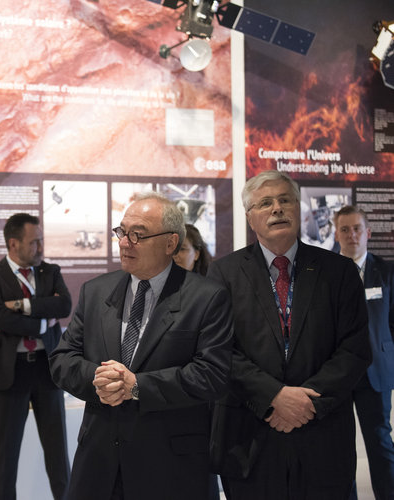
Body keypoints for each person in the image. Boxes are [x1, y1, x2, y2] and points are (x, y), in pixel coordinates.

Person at [49, 193, 233, 499]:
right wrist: (99, 379)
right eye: (122, 232)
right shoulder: (96, 291)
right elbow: (62, 360)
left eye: (138, 235)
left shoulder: (207, 297)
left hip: (171, 468)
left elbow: (212, 374)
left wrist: (137, 386)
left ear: (171, 244)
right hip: (99, 466)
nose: (124, 242)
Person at [209, 170, 371, 499]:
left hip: (322, 435)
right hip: (249, 435)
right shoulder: (223, 274)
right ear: (250, 217)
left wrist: (303, 402)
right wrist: (274, 397)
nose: (277, 208)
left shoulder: (340, 272)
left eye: (285, 200)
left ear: (299, 209)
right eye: (265, 203)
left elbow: (354, 350)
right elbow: (217, 350)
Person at [0, 213, 72, 500]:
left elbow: (64, 306)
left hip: (47, 370)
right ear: (14, 243)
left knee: (58, 454)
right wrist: (43, 322)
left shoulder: (50, 271)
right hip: (10, 373)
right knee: (6, 456)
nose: (40, 248)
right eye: (34, 242)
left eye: (41, 241)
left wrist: (21, 305)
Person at [334, 205, 394, 500]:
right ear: (336, 234)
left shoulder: (386, 271)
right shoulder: (326, 273)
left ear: (367, 232)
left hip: (377, 372)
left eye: (356, 228)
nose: (351, 235)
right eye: (344, 229)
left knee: (381, 442)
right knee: (341, 448)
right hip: (340, 375)